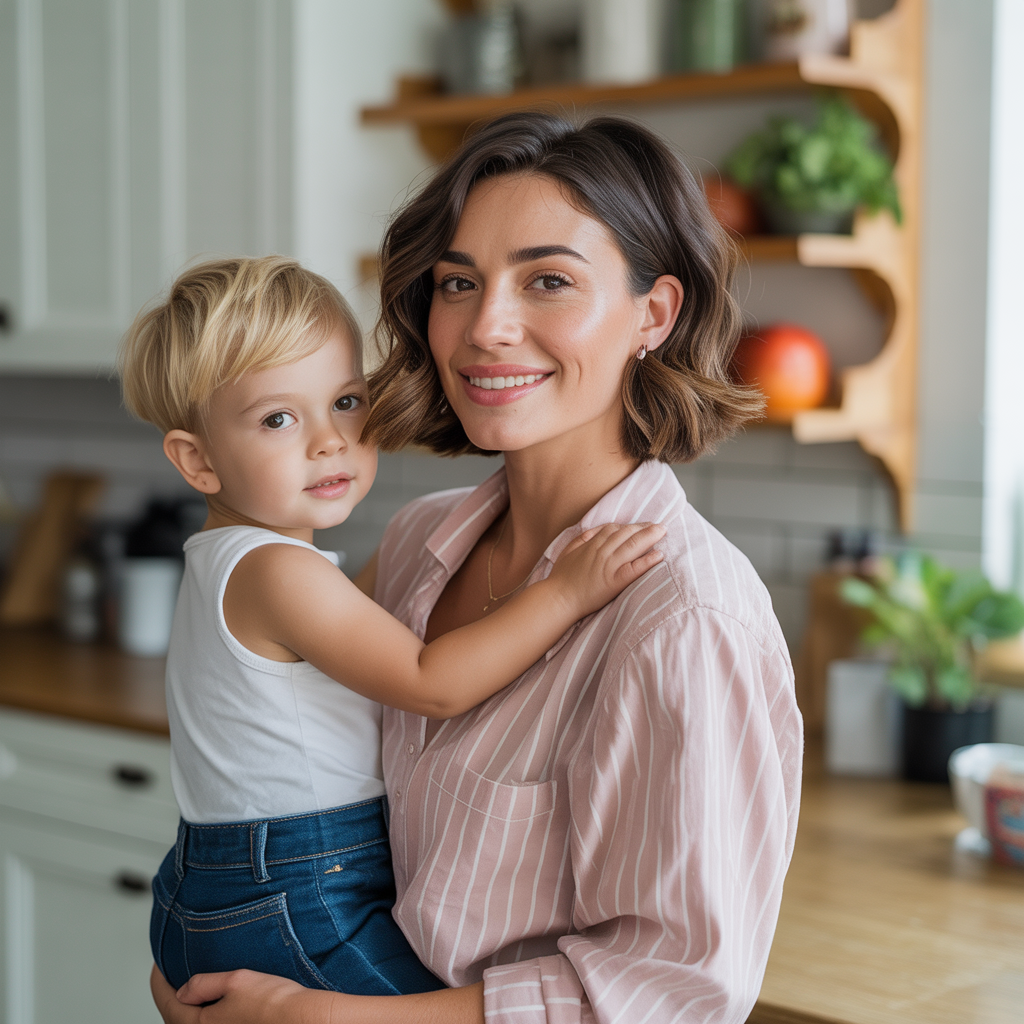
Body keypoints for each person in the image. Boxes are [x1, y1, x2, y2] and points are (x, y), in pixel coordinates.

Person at [152, 111, 803, 1024]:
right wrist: (210, 961)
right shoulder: (418, 543)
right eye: (459, 283)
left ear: (652, 315)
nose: (486, 326)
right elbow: (274, 755)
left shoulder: (685, 616)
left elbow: (673, 998)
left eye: (548, 281)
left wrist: (325, 1018)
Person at [119, 255, 666, 997]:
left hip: (218, 879)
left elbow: (366, 621)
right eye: (278, 418)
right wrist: (566, 591)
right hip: (300, 888)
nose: (328, 440)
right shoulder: (280, 573)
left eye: (345, 400)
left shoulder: (238, 562)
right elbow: (429, 681)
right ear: (198, 462)